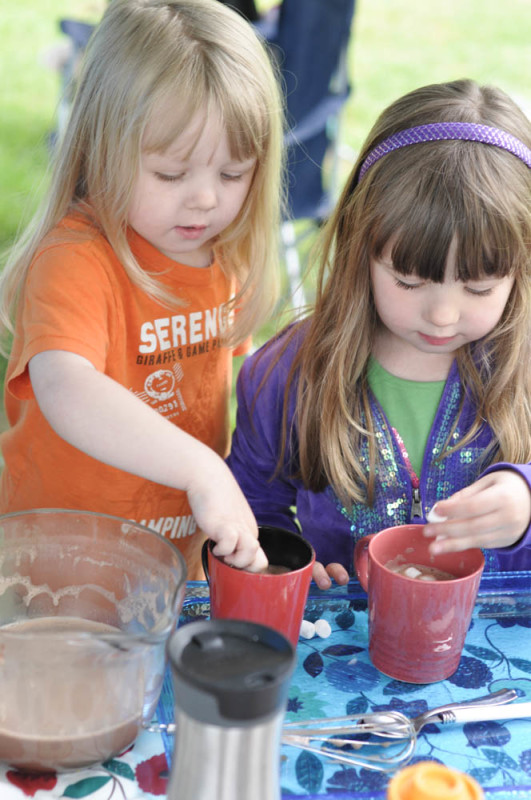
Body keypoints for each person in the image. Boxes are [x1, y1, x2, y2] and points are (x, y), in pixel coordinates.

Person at [0, 0, 286, 579]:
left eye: (233, 173)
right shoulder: (77, 258)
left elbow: (233, 385)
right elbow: (67, 388)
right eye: (171, 174)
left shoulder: (223, 253)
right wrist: (201, 469)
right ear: (99, 146)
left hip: (174, 560)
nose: (206, 199)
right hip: (63, 565)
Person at [227, 79, 531, 589]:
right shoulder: (288, 373)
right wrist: (284, 563)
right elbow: (252, 503)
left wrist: (525, 501)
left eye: (478, 288)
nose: (442, 316)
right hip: (345, 649)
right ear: (360, 245)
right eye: (409, 281)